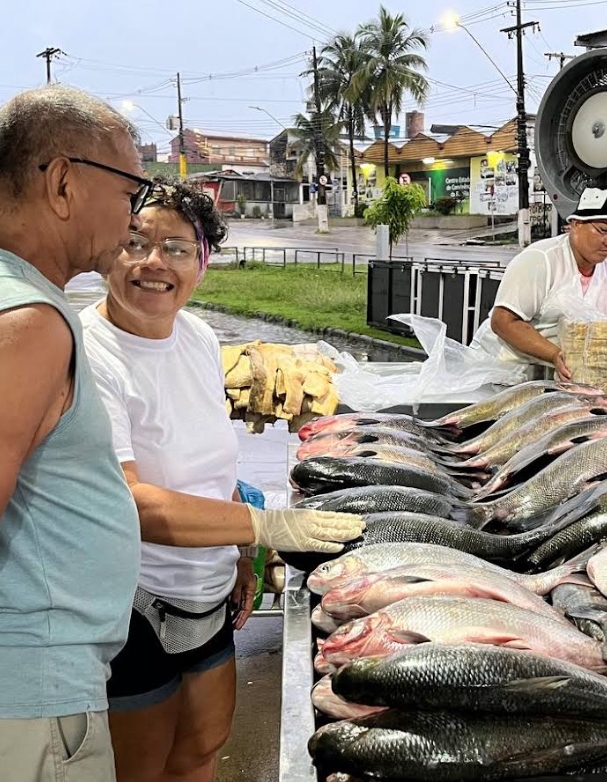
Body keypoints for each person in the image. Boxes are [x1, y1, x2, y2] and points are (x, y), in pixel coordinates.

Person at [80, 177, 364, 782]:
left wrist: (241, 549)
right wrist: (266, 523)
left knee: (203, 747)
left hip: (207, 588)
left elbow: (212, 464)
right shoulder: (89, 351)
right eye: (135, 242)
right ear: (107, 249)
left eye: (178, 248)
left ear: (202, 264)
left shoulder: (200, 337)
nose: (154, 263)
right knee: (140, 766)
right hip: (132, 599)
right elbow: (126, 499)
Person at [0, 85, 147, 780]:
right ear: (64, 182)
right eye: (131, 191)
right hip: (16, 712)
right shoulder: (25, 324)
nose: (134, 217)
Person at [470, 186, 607, 381]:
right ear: (576, 224)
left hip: (560, 380)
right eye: (604, 230)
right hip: (502, 372)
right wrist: (555, 355)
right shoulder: (541, 259)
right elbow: (503, 321)